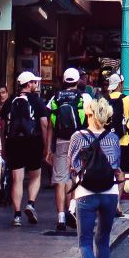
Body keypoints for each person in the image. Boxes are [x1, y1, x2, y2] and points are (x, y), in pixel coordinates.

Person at [69, 106, 125, 258]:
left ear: (90, 114)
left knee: (84, 240)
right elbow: (116, 165)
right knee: (103, 240)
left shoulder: (77, 137)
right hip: (109, 192)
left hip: (86, 193)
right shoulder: (113, 137)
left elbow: (72, 166)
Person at [48, 69, 94, 227]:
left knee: (60, 180)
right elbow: (91, 121)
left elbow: (50, 126)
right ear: (77, 81)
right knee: (79, 177)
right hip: (80, 141)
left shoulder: (56, 98)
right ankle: (72, 209)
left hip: (61, 141)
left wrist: (48, 148)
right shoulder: (85, 97)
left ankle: (60, 216)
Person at [1, 70, 47, 228]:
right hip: (33, 142)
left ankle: (17, 215)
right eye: (34, 82)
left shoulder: (9, 101)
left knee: (17, 179)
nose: (36, 84)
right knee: (35, 176)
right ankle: (31, 204)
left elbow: (2, 126)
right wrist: (46, 146)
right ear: (28, 84)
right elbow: (44, 124)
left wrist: (3, 145)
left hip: (13, 142)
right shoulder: (37, 101)